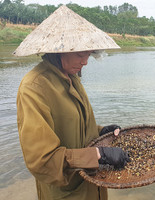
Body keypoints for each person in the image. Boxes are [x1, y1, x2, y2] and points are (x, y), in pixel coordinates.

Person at [15, 5, 129, 200]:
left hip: (94, 185)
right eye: (79, 54)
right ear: (59, 51)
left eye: (89, 54)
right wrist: (99, 154)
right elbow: (42, 161)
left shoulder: (72, 77)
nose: (85, 61)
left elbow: (74, 125)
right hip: (67, 192)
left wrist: (100, 131)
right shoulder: (34, 88)